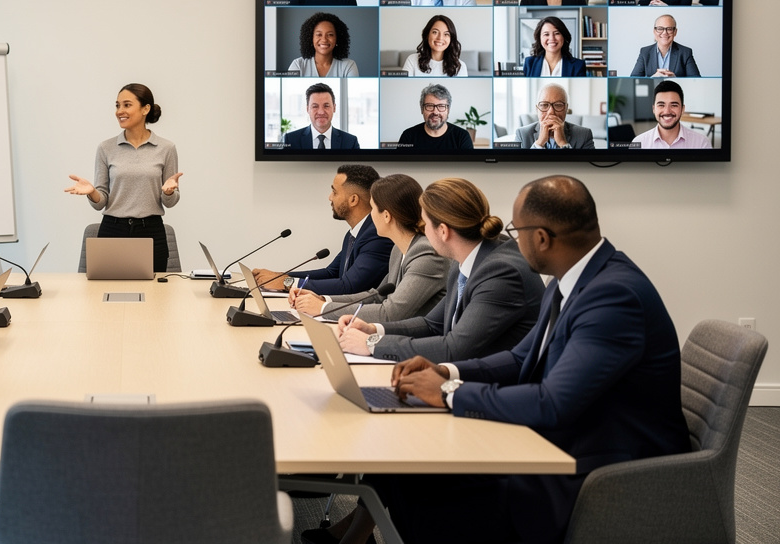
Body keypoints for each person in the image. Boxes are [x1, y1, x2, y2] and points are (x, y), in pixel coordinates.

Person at [312, 176, 690, 544]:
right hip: (564, 438)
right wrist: (446, 371)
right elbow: (521, 356)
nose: (509, 237)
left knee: (424, 489)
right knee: (409, 473)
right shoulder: (571, 277)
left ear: (541, 238)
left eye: (517, 229)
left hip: (601, 466)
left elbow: (552, 402)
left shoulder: (613, 297)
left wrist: (448, 392)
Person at [332, 177, 543, 363]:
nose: (421, 230)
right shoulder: (466, 259)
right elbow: (432, 324)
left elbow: (453, 349)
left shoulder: (500, 272)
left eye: (425, 223)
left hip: (498, 388)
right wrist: (373, 330)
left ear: (443, 231)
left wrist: (372, 344)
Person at [289, 174, 447, 322]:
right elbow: (377, 296)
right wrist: (323, 299)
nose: (370, 216)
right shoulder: (398, 250)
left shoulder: (426, 254)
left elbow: (390, 313)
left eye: (372, 209)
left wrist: (323, 308)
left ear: (386, 215)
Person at [65, 83, 182, 274]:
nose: (120, 111)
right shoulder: (106, 148)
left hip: (151, 231)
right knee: (104, 293)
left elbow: (170, 202)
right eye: (117, 105)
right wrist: (93, 192)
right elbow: (100, 202)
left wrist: (169, 192)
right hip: (112, 229)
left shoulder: (166, 148)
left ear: (145, 109)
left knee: (154, 295)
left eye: (127, 105)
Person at [252, 164, 392, 295]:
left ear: (353, 200)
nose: (330, 197)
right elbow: (331, 273)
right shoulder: (356, 233)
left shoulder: (377, 236)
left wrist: (286, 283)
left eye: (334, 192)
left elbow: (349, 286)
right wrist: (280, 277)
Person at [631, 80, 713, 149]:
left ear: (682, 109)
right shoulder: (639, 143)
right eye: (661, 105)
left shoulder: (702, 143)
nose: (667, 111)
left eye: (674, 105)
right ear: (654, 109)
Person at [515, 82, 596, 149]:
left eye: (558, 105)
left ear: (566, 109)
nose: (551, 112)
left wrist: (563, 143)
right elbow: (519, 167)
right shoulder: (522, 134)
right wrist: (539, 143)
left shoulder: (584, 135)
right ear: (537, 109)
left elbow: (586, 168)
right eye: (544, 105)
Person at [397, 83, 475, 150]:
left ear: (448, 110)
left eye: (441, 106)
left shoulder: (462, 137)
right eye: (430, 106)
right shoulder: (408, 136)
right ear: (422, 109)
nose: (435, 112)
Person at [282, 82, 359, 149]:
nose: (321, 112)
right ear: (307, 109)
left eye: (326, 106)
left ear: (334, 108)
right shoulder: (291, 140)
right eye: (315, 106)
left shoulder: (351, 142)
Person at [287, 11, 359, 77]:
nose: (324, 40)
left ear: (337, 39)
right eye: (319, 34)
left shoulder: (348, 66)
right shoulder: (298, 65)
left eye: (330, 35)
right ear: (310, 38)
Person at [630, 14, 700, 77]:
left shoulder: (685, 52)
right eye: (660, 29)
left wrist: (675, 79)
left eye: (669, 29)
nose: (664, 33)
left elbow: (696, 81)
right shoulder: (645, 52)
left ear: (675, 32)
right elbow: (633, 80)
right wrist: (653, 79)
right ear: (654, 31)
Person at [403, 14, 467, 77]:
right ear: (427, 35)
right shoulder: (412, 60)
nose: (440, 38)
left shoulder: (460, 67)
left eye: (446, 34)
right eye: (435, 32)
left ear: (451, 38)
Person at [522, 16, 587, 77]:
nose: (552, 38)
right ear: (540, 38)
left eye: (557, 33)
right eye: (546, 34)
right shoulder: (529, 63)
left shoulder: (578, 65)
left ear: (563, 37)